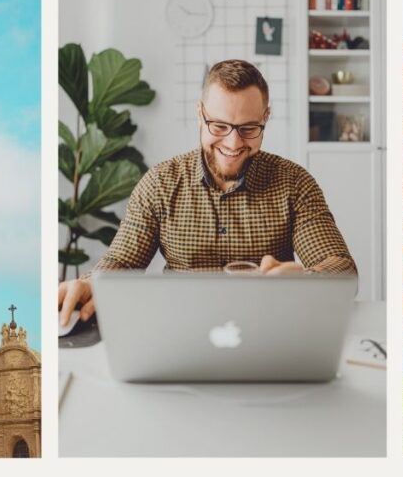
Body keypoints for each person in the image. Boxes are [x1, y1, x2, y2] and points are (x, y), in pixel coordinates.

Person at [59, 59, 356, 326]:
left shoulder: (295, 183)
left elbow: (341, 268)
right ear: (200, 114)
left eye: (249, 128)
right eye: (219, 125)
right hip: (178, 329)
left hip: (269, 329)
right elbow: (121, 262)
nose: (233, 143)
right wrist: (92, 283)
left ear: (266, 117)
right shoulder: (160, 184)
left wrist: (305, 281)